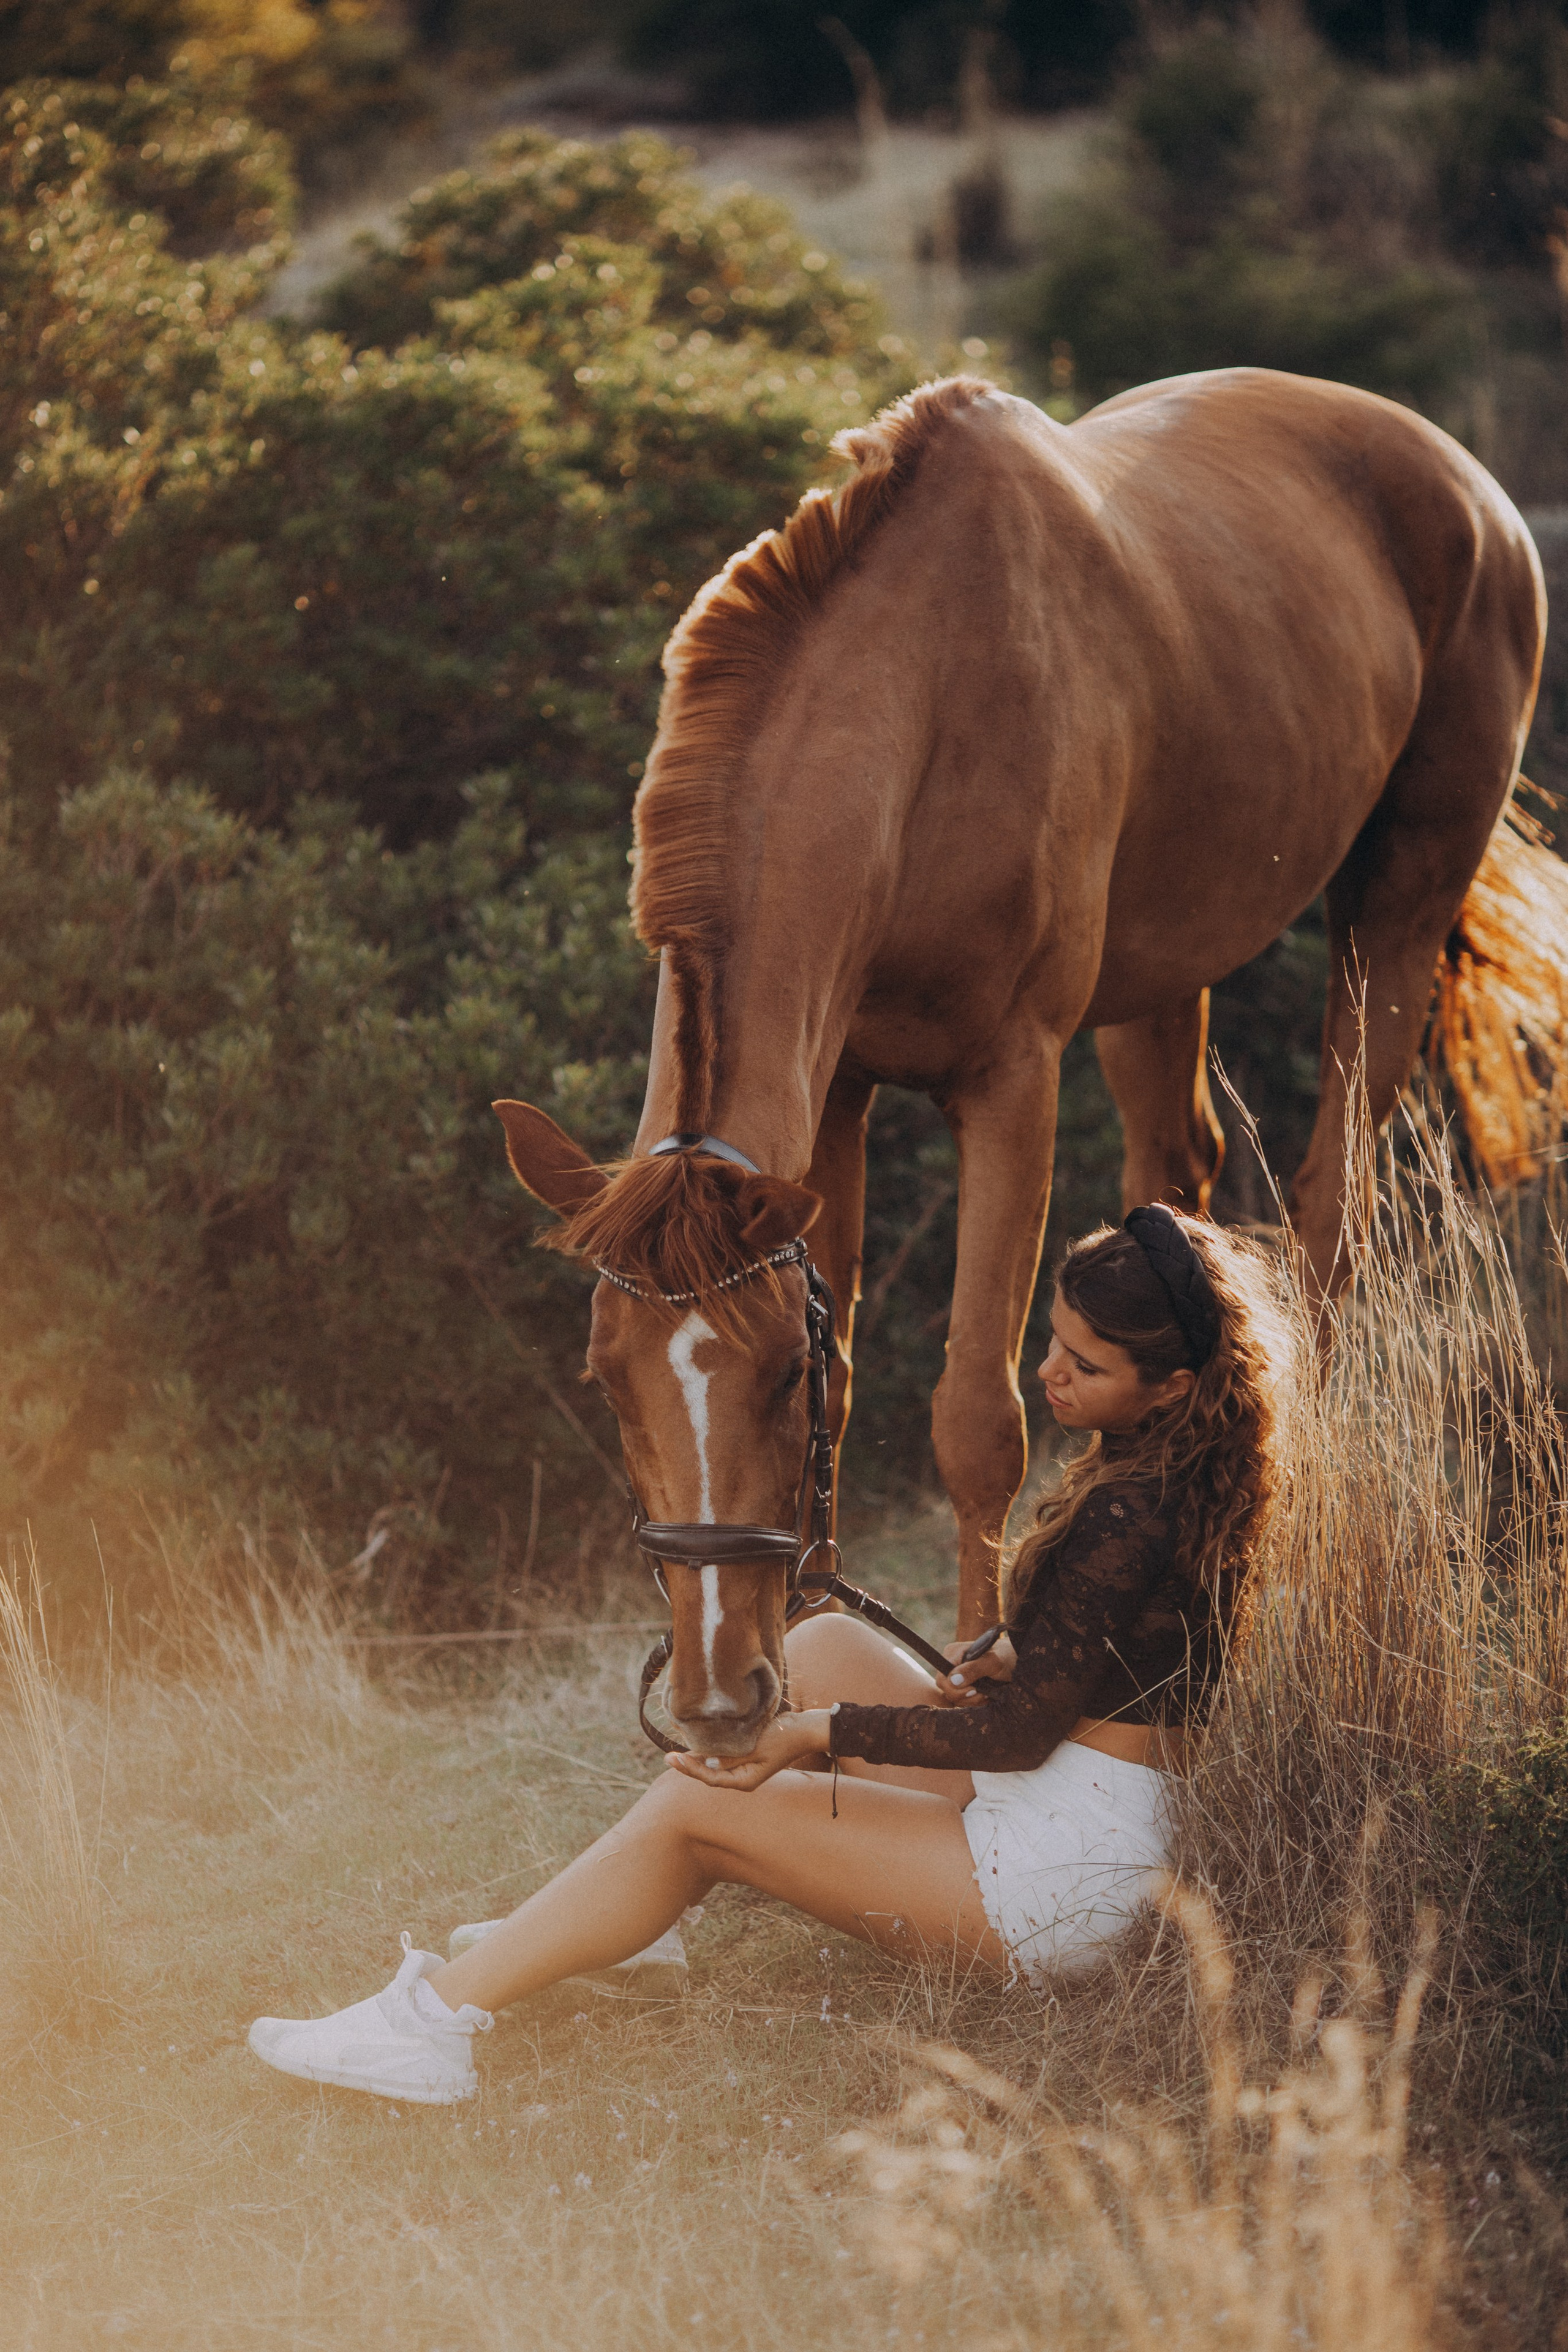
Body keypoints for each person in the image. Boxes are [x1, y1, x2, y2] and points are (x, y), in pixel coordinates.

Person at [247, 1205, 1288, 2105]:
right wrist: (1025, 1651)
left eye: (1086, 1364)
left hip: (1061, 1881)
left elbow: (1014, 1742)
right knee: (824, 1640)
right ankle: (627, 1921)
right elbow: (1141, 1654)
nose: (1048, 1371)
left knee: (712, 1803)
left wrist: (813, 1735)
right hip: (1084, 1793)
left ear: (1171, 1385)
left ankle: (432, 2028)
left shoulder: (1132, 1513)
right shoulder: (1180, 1467)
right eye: (1054, 1340)